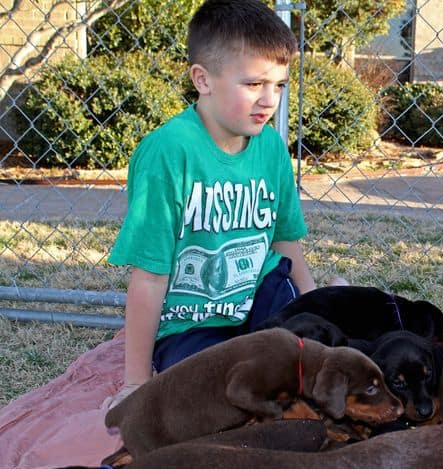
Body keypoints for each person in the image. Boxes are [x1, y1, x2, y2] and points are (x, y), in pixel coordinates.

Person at [107, 0, 315, 408]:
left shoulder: (270, 146)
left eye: (279, 86)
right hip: (191, 324)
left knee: (313, 366)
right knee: (206, 401)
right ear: (203, 80)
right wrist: (134, 383)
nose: (269, 100)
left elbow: (286, 241)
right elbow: (149, 277)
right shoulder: (168, 153)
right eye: (254, 84)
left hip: (260, 300)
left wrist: (317, 306)